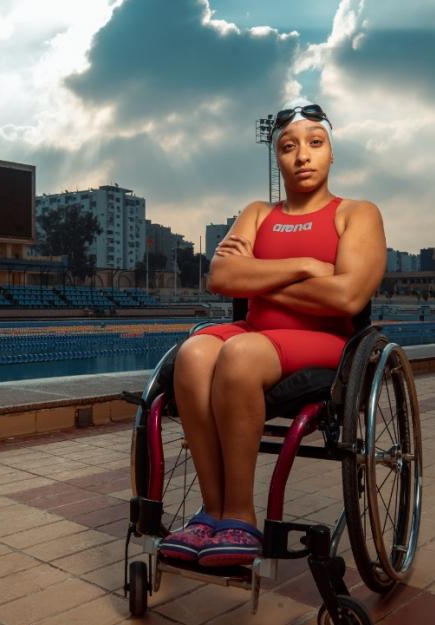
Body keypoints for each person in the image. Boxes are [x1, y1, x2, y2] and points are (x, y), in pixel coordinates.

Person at [158, 99, 387, 567]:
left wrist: (260, 281)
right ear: (277, 156)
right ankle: (211, 512)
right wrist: (304, 267)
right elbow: (221, 277)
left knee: (240, 353)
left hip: (323, 339)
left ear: (331, 152)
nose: (302, 155)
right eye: (288, 147)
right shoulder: (259, 213)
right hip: (254, 329)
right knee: (194, 354)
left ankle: (241, 516)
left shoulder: (356, 214)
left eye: (315, 144)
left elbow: (346, 298)